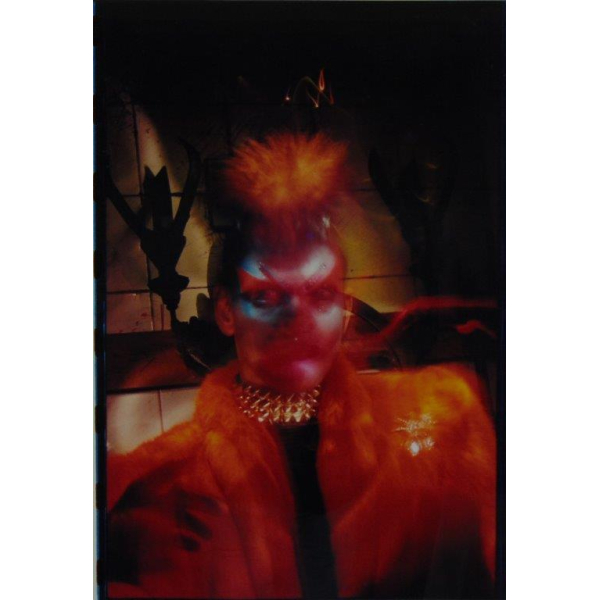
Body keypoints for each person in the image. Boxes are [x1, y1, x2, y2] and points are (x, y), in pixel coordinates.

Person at [107, 132, 496, 599]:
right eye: (267, 296)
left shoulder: (432, 430)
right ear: (226, 312)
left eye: (322, 294)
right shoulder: (167, 488)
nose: (298, 317)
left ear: (345, 309)